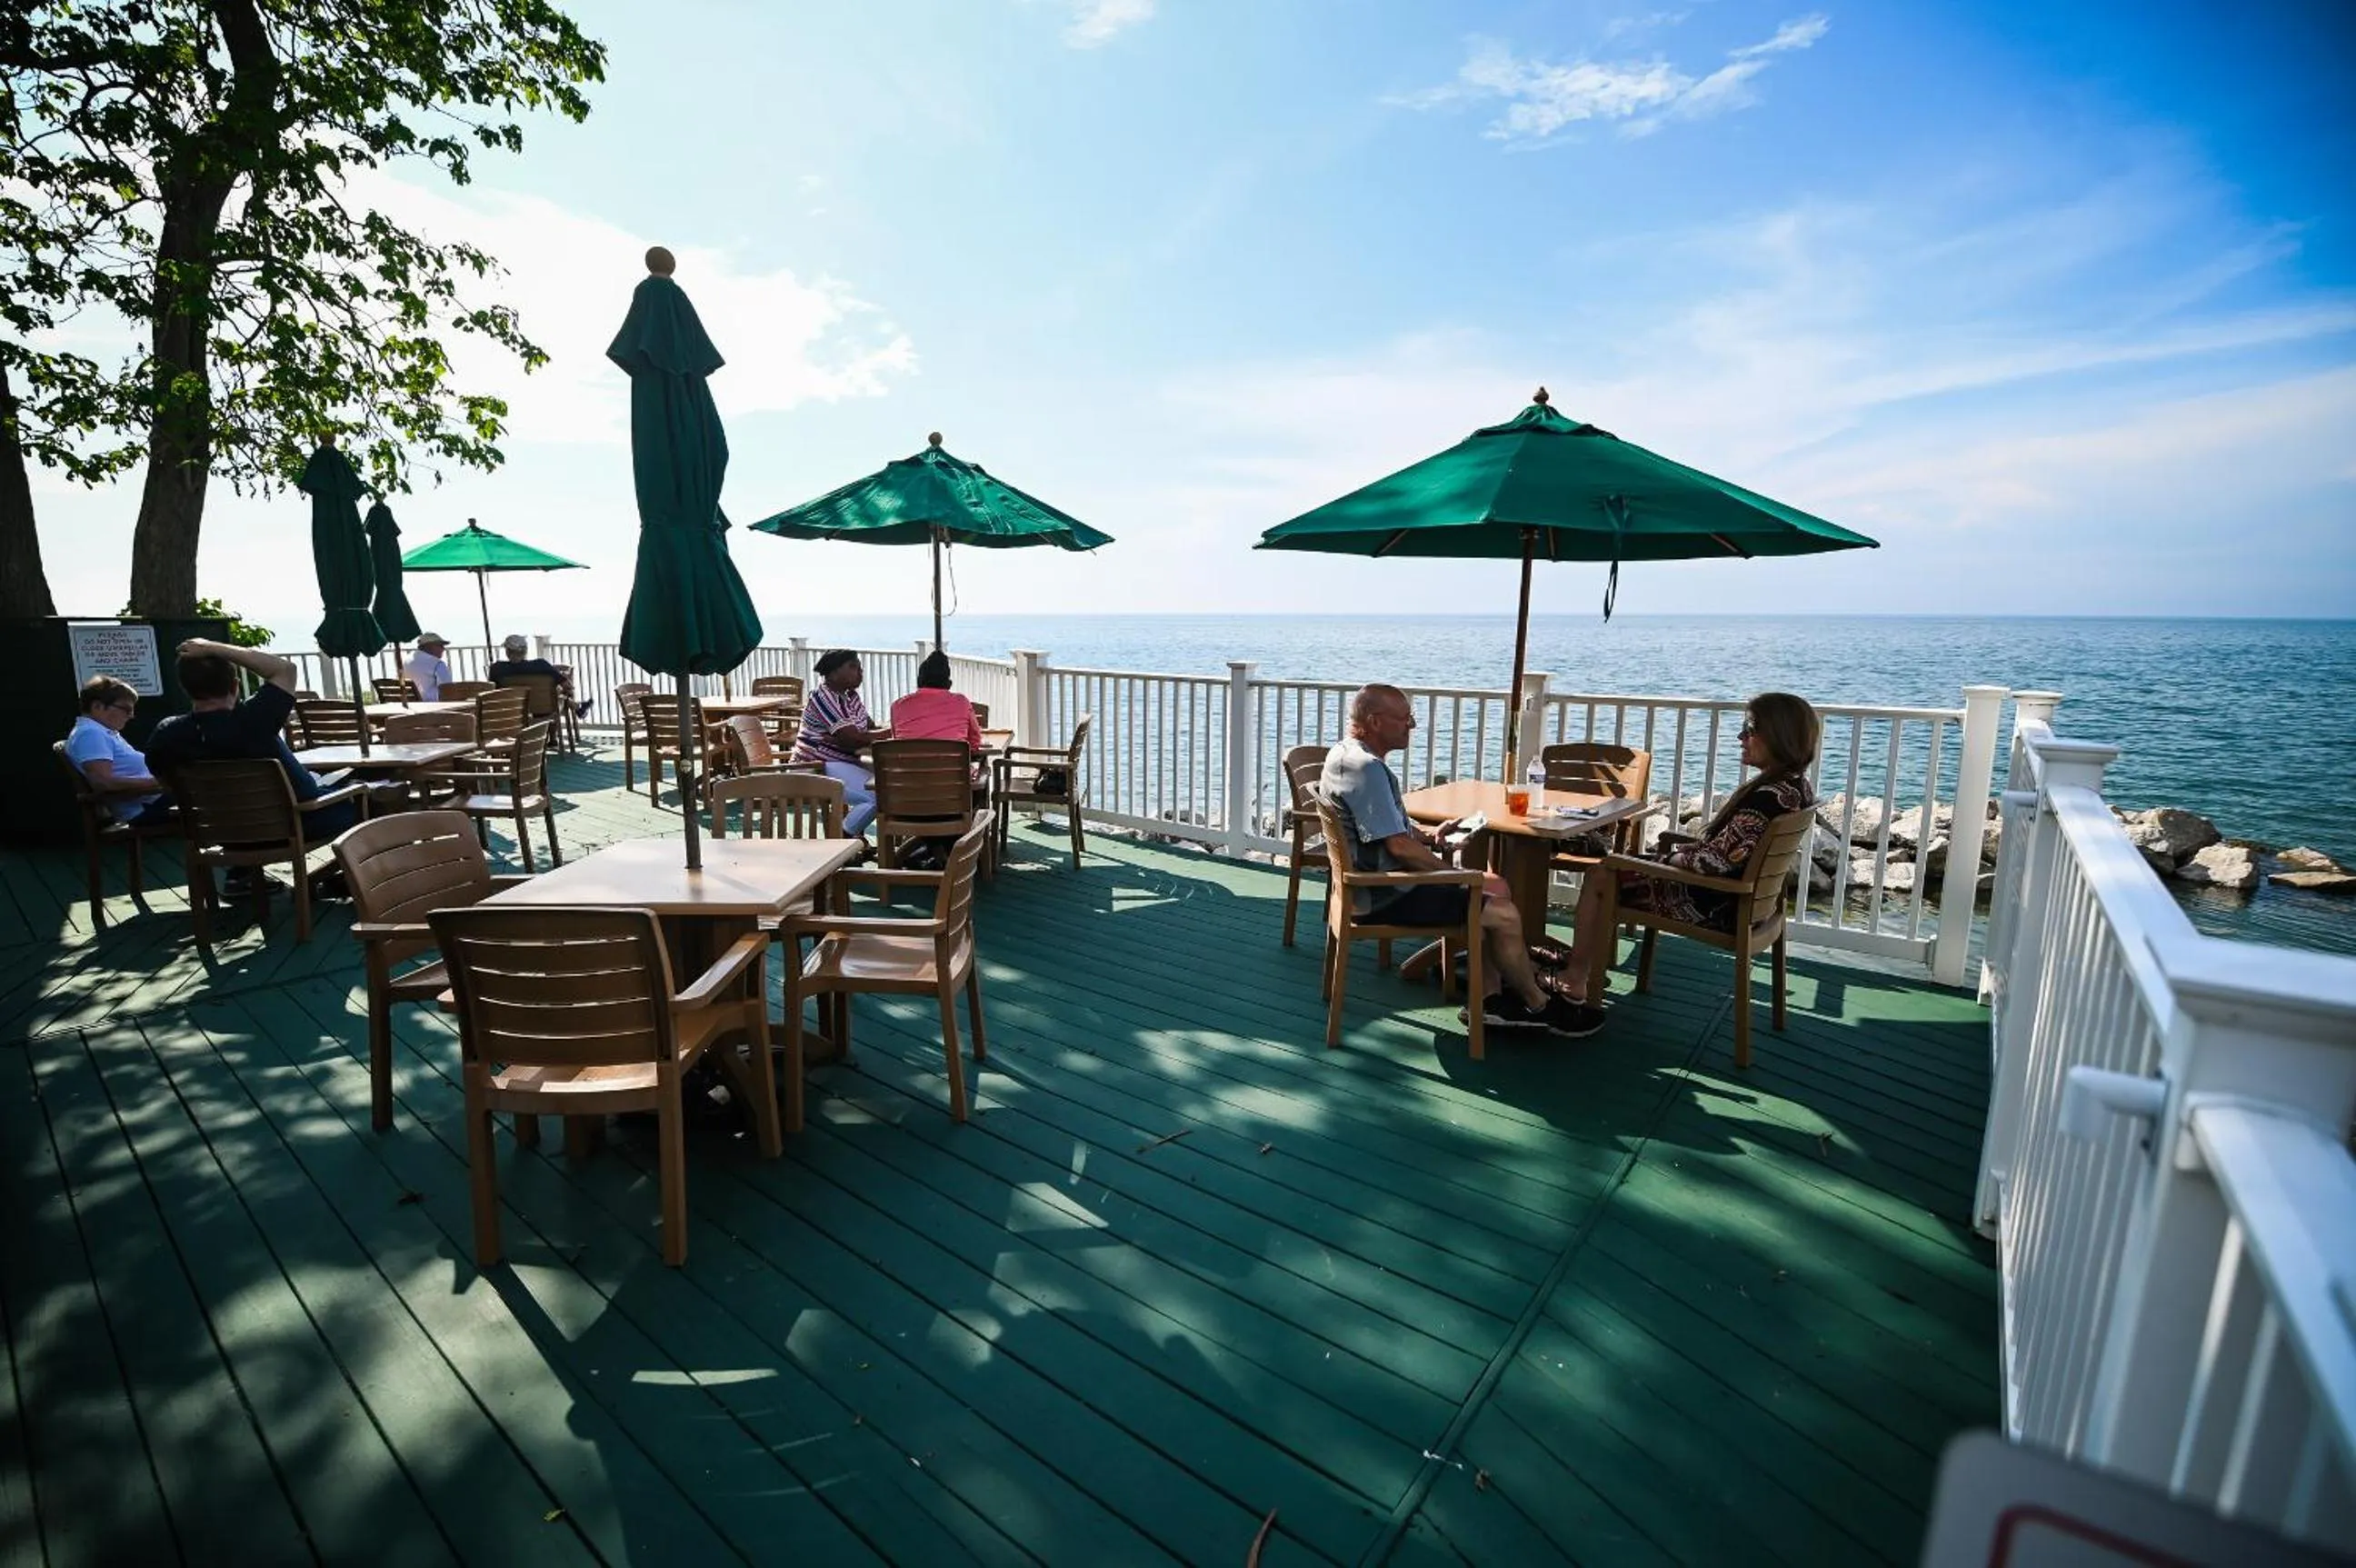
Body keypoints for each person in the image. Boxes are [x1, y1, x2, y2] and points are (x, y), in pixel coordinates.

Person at [1321, 684, 1592, 1038]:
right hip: (1382, 895)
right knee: (1502, 910)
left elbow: (1386, 829)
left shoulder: (1345, 755)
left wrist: (1429, 836)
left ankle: (1492, 995)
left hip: (1368, 889)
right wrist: (1458, 875)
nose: (1412, 726)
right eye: (1405, 719)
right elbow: (1399, 849)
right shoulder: (1368, 768)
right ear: (1374, 721)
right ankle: (1538, 1004)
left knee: (1495, 888)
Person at [1549, 691, 1822, 1032]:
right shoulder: (1795, 789)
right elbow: (1726, 855)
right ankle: (1577, 966)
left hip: (1711, 902)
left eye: (1750, 729)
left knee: (1601, 875)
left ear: (1779, 735)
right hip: (1748, 904)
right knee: (1615, 865)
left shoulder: (1766, 799)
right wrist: (1665, 857)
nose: (1741, 737)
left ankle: (1576, 978)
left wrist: (1669, 858)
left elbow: (1713, 862)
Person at [144, 638, 364, 845]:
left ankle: (240, 874)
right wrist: (212, 647)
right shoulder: (256, 719)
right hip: (298, 825)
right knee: (369, 798)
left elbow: (168, 783)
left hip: (221, 833)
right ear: (235, 686)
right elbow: (285, 669)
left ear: (186, 689)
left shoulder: (167, 735)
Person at [792, 649, 888, 836]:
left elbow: (867, 730)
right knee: (877, 797)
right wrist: (890, 731)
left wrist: (850, 738)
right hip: (817, 764)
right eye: (853, 667)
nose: (860, 672)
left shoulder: (851, 697)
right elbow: (852, 738)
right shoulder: (823, 697)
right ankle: (842, 839)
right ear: (833, 672)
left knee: (892, 784)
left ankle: (857, 837)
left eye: (860, 668)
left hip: (843, 759)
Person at [63, 675, 173, 824]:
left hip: (155, 800)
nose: (131, 715)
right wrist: (160, 782)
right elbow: (103, 783)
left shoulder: (100, 731)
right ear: (97, 706)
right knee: (209, 799)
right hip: (145, 808)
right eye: (126, 709)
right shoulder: (90, 734)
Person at [888, 652, 983, 752]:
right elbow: (975, 742)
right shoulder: (962, 702)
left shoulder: (897, 706)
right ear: (948, 682)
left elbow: (897, 742)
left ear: (919, 680)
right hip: (952, 765)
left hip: (909, 766)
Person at [487, 634, 592, 717]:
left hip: (511, 712)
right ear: (525, 651)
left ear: (507, 652)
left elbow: (492, 692)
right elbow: (568, 686)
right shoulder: (541, 665)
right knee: (557, 695)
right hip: (543, 710)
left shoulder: (496, 668)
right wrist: (562, 691)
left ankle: (578, 707)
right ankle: (576, 709)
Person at [403, 633, 452, 701]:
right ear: (429, 646)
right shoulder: (437, 664)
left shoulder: (404, 661)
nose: (443, 649)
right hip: (432, 707)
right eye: (440, 645)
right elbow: (448, 691)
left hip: (410, 705)